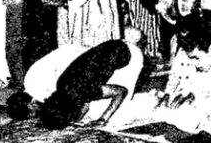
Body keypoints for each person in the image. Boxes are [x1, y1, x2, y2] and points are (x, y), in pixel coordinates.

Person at [12, 27, 146, 129]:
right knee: (96, 103)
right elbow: (84, 103)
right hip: (110, 47)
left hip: (129, 54)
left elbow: (121, 91)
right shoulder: (62, 87)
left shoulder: (82, 91)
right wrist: (75, 121)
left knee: (119, 113)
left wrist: (103, 119)